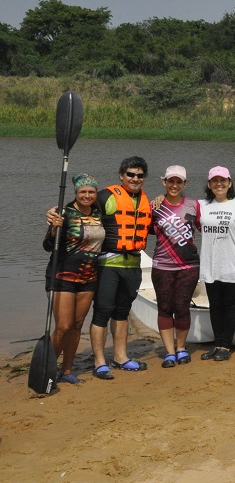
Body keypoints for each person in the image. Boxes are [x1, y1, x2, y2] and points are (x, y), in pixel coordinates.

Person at [89, 157, 152, 380]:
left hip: (133, 264)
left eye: (140, 175)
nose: (135, 179)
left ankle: (120, 357)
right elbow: (80, 210)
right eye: (130, 174)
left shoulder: (146, 201)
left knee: (122, 312)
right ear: (121, 175)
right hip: (108, 264)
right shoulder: (106, 196)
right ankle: (99, 362)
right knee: (103, 311)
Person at [42, 174, 104, 384]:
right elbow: (47, 246)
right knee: (63, 326)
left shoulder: (98, 213)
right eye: (82, 192)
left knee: (77, 325)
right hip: (62, 277)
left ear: (96, 194)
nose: (87, 195)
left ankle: (67, 370)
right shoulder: (64, 213)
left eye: (91, 192)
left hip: (88, 277)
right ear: (76, 193)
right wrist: (54, 228)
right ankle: (47, 369)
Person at [198, 166, 235, 360]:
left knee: (230, 306)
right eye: (214, 181)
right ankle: (217, 344)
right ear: (209, 185)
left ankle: (225, 346)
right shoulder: (201, 205)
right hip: (210, 265)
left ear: (230, 183)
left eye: (223, 180)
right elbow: (176, 205)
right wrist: (160, 198)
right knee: (215, 306)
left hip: (234, 265)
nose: (219, 184)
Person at [150, 166, 201, 367]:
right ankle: (169, 352)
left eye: (179, 182)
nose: (174, 185)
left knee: (181, 307)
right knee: (164, 308)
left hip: (189, 266)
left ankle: (181, 348)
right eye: (171, 181)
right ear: (164, 182)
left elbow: (210, 227)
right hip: (162, 265)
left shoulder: (194, 205)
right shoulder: (155, 207)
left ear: (184, 184)